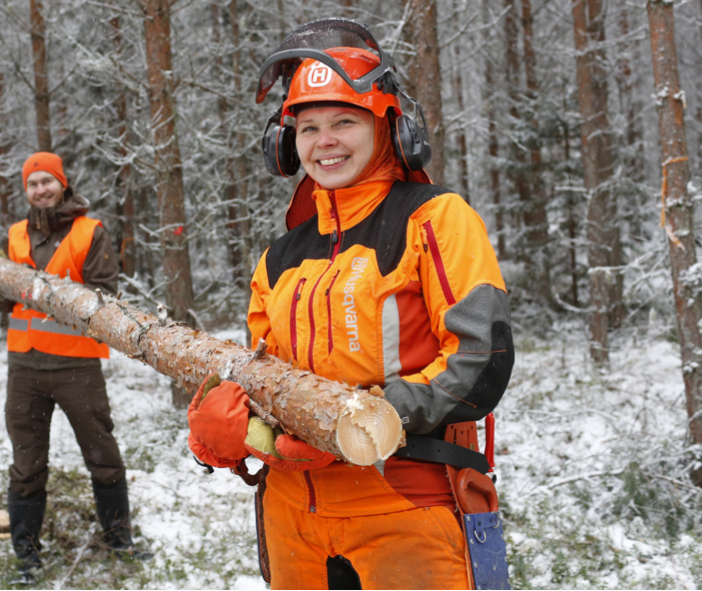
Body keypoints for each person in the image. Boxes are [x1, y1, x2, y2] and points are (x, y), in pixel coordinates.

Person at [187, 19, 514, 590]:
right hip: (293, 518)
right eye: (308, 127)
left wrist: (360, 423)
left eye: (344, 120)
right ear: (287, 144)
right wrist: (231, 434)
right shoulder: (281, 256)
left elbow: (480, 359)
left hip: (405, 507)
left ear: (388, 127)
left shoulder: (433, 219)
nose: (324, 141)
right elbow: (267, 378)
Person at [0, 152, 141, 583]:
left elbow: (103, 297)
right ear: (26, 191)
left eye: (47, 181)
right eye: (32, 184)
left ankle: (119, 540)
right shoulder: (16, 235)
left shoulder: (90, 232)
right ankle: (26, 557)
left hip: (77, 366)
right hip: (24, 367)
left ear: (63, 183)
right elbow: (12, 298)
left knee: (103, 456)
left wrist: (45, 291)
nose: (40, 189)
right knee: (26, 466)